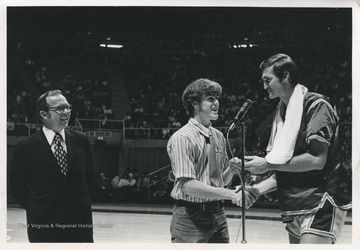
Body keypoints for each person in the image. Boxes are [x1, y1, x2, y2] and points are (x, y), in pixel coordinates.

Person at [232, 54, 352, 244]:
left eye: (267, 80)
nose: (264, 86)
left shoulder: (317, 105)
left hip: (322, 200)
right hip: (294, 203)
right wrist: (256, 189)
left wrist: (266, 164)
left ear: (286, 76)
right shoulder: (281, 113)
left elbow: (316, 160)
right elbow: (284, 170)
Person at [10, 90, 96, 242]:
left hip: (79, 223)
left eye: (68, 107)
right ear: (44, 114)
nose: (66, 112)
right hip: (43, 224)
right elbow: (17, 187)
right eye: (60, 108)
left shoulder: (82, 141)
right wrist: (36, 207)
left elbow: (91, 179)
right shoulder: (26, 147)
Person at [166, 78, 243, 243]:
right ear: (195, 103)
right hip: (190, 217)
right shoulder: (182, 137)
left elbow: (220, 182)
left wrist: (231, 169)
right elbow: (188, 186)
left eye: (217, 99)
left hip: (218, 214)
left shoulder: (219, 136)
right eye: (210, 99)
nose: (217, 103)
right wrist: (231, 194)